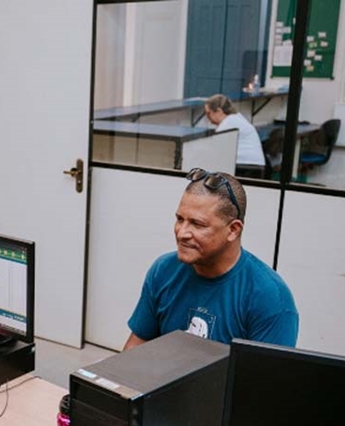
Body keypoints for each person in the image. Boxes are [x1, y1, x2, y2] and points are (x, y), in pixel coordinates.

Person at [124, 168, 298, 350]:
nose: (182, 233)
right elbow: (137, 345)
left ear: (233, 230)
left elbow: (265, 378)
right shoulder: (163, 270)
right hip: (164, 378)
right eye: (179, 219)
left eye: (197, 224)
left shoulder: (270, 297)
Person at [204, 94, 266, 175]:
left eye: (209, 113)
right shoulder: (236, 118)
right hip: (256, 165)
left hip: (245, 166)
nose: (207, 118)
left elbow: (215, 148)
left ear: (219, 111)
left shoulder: (228, 123)